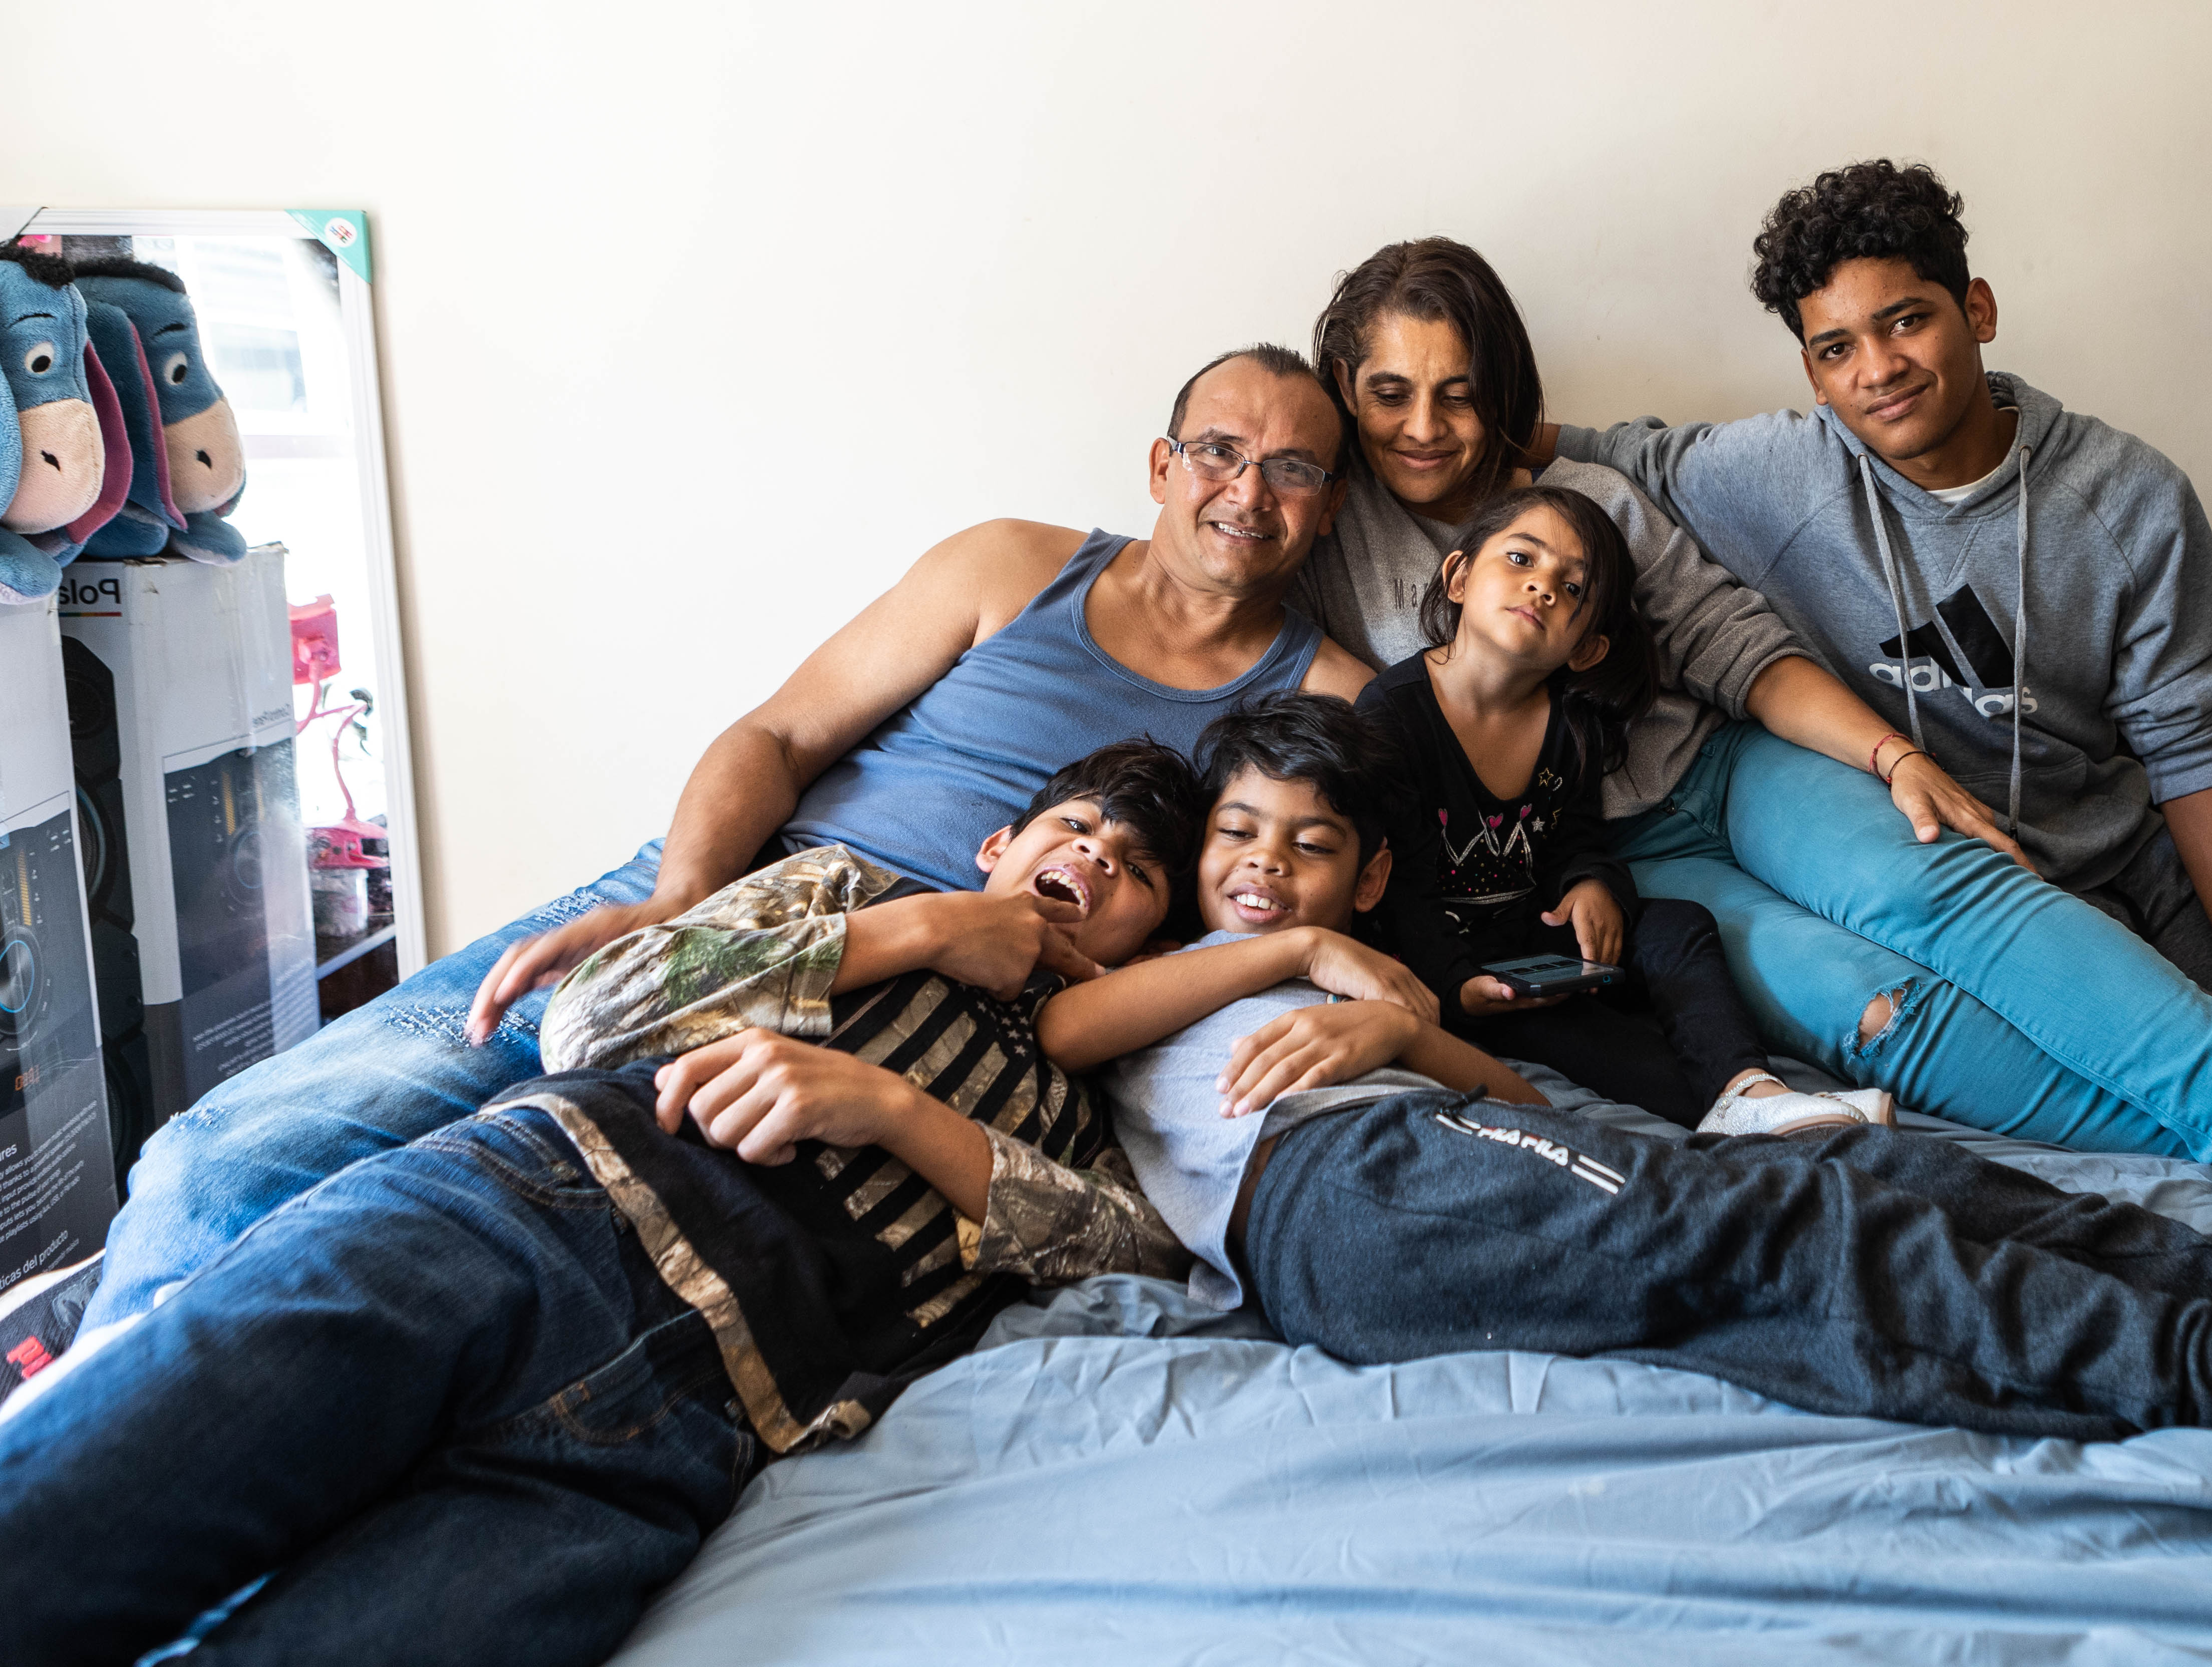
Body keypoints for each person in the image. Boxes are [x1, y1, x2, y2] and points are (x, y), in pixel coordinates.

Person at [1034, 695, 2212, 1544]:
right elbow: (1060, 1010)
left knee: (1874, 1167)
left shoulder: (1356, 981)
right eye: (1233, 837)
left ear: (1373, 871)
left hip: (1434, 1150)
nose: (1262, 863)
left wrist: (1397, 1021)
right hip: (1340, 1197)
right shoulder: (1155, 990)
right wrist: (1306, 953)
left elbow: (1511, 1094)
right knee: (1800, 1225)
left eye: (1308, 849)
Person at [55, 343, 1375, 1351]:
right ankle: (96, 1385)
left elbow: (1382, 868)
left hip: (942, 1007)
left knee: (417, 1229)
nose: (1246, 492)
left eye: (1296, 470)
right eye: (1217, 451)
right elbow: (781, 735)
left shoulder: (1335, 701)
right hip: (728, 899)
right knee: (232, 1161)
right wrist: (677, 899)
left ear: (1330, 510)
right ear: (1160, 465)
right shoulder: (1013, 564)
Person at [1301, 238, 2212, 1251]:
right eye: (1391, 394)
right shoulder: (1328, 535)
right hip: (1621, 861)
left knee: (1946, 889)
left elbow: (1734, 646)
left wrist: (1892, 759)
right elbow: (1213, 597)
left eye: (1458, 393)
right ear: (1346, 395)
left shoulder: (1586, 490)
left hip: (1732, 769)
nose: (1424, 427)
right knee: (1874, 1012)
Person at [0, 744, 1203, 1666]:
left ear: (1156, 942)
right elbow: (589, 1019)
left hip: (679, 1430)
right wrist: (924, 927)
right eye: (1076, 826)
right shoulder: (848, 887)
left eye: (1138, 870)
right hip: (506, 1221)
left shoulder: (1081, 1111)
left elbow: (1132, 1253)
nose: (1097, 858)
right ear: (1000, 842)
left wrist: (887, 1109)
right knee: (81, 1509)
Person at [1547, 162, 2212, 1124]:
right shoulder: (1774, 472)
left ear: (1978, 308)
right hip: (1958, 877)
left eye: (1906, 321)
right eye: (1837, 348)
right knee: (2164, 1100)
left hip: (2116, 847)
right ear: (1811, 371)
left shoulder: (2132, 498)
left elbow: (2189, 746)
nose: (1878, 370)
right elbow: (1578, 449)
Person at [1355, 482, 1875, 1133]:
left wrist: (1592, 883)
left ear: (1587, 648)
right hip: (1445, 969)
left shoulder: (1570, 723)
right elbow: (1397, 891)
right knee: (1613, 1053)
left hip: (1535, 944)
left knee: (1679, 926)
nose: (1543, 587)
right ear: (1459, 576)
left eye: (1572, 589)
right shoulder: (1391, 716)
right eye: (1522, 559)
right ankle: (1730, 1120)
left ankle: (1750, 1087)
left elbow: (1573, 837)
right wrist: (1457, 985)